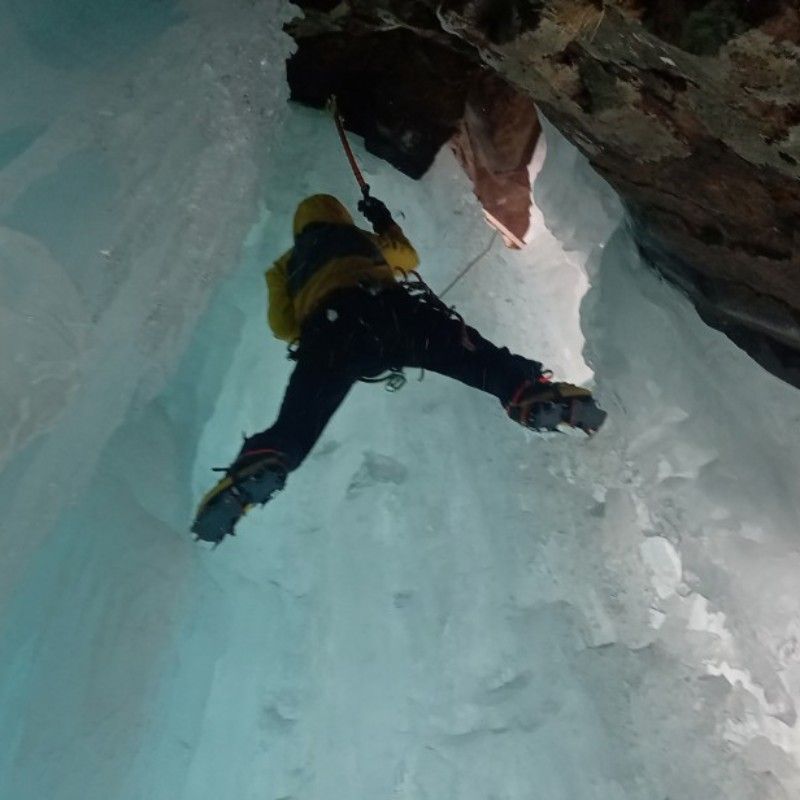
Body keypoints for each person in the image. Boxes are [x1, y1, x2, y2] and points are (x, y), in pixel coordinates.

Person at [192, 193, 605, 543]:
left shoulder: (285, 264)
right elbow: (408, 256)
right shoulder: (360, 238)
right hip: (392, 312)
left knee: (299, 421)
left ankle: (264, 463)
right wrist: (383, 220)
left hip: (334, 329)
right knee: (471, 357)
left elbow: (282, 326)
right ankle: (526, 390)